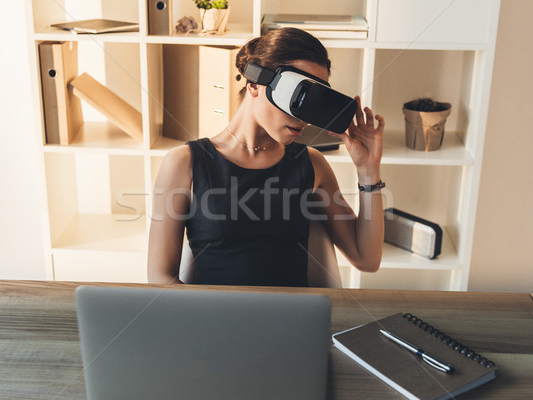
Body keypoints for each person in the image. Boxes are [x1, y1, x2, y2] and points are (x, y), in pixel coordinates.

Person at [147, 27, 384, 286]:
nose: (304, 118)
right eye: (298, 98)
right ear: (255, 85)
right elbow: (160, 278)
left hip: (292, 320)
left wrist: (368, 169)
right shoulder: (185, 163)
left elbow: (367, 260)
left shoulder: (312, 164)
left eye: (312, 104)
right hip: (213, 319)